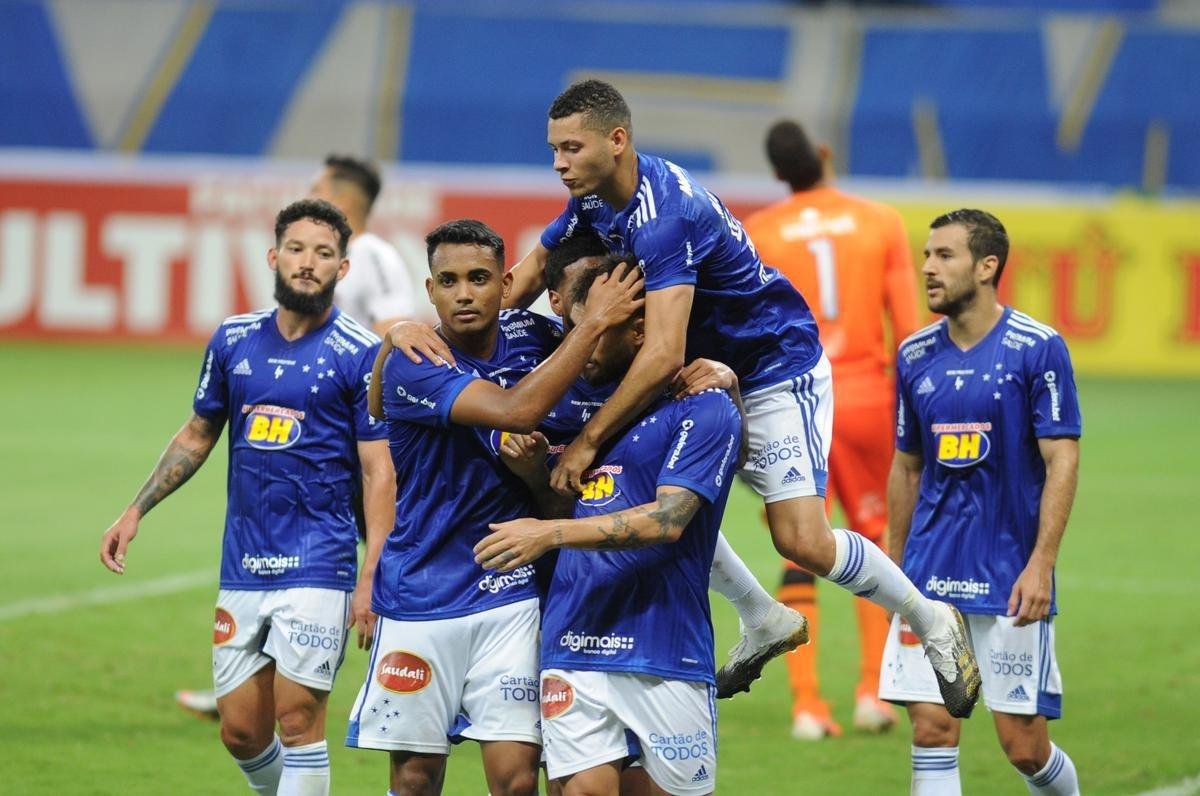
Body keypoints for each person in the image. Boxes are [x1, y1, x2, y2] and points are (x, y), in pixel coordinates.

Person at [502, 78, 980, 711]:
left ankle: (931, 619)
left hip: (771, 366)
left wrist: (588, 440)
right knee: (647, 489)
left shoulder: (665, 216)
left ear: (616, 140)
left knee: (802, 541)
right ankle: (761, 616)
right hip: (701, 371)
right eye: (554, 150)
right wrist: (454, 342)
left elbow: (661, 353)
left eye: (571, 148)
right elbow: (531, 271)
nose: (559, 164)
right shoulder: (592, 201)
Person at [99, 199, 396, 795]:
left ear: (342, 269)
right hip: (244, 563)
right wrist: (136, 509)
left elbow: (378, 471)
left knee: (298, 720)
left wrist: (373, 571)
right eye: (296, 249)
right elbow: (197, 433)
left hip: (319, 563)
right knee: (240, 731)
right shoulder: (233, 339)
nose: (307, 262)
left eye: (323, 253)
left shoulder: (360, 353)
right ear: (273, 256)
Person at [344, 220, 642, 796]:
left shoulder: (536, 336)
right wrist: (592, 322)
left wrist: (700, 372)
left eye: (479, 278)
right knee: (415, 779)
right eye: (449, 281)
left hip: (510, 587)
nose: (464, 294)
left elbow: (610, 362)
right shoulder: (415, 360)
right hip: (422, 588)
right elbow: (515, 410)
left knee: (516, 781)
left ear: (505, 286)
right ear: (430, 290)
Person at [473, 256, 743, 795]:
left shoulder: (703, 403)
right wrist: (535, 475)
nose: (580, 345)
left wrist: (546, 534)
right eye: (575, 328)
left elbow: (669, 520)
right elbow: (568, 511)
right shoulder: (558, 408)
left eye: (596, 332)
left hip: (666, 649)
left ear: (641, 329)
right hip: (574, 640)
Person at [175, 153, 420, 722]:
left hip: (350, 426)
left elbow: (392, 335)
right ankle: (253, 678)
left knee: (384, 566)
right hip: (309, 424)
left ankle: (405, 680)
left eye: (319, 186)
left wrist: (354, 386)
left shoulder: (376, 257)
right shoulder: (269, 306)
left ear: (343, 198)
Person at [882, 209, 1082, 795]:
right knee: (932, 730)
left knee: (1024, 748)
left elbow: (1062, 459)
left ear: (987, 266)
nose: (927, 267)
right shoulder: (914, 354)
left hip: (1009, 577)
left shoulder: (1037, 349)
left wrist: (1042, 564)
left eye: (945, 255)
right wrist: (893, 567)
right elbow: (907, 465)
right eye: (926, 255)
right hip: (929, 577)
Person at [543, 232, 808, 668]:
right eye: (584, 305)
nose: (605, 298)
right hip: (548, 603)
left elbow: (724, 458)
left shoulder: (670, 375)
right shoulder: (536, 356)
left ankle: (761, 611)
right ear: (556, 301)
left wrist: (731, 393)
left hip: (648, 632)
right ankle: (759, 610)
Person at [742, 119, 921, 739]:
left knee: (800, 543)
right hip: (867, 397)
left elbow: (751, 330)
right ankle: (874, 693)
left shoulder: (761, 233)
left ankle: (807, 706)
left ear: (776, 173)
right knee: (873, 537)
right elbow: (909, 328)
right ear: (824, 153)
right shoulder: (880, 222)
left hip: (793, 401)